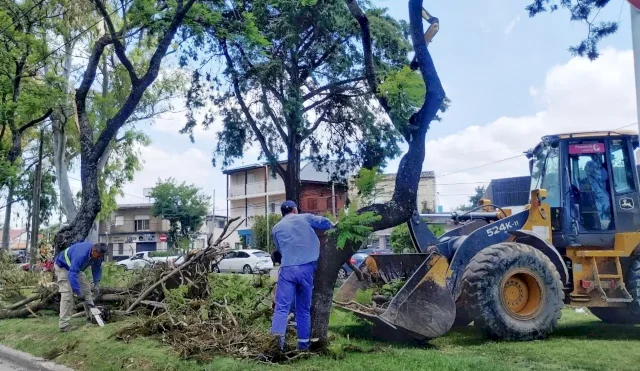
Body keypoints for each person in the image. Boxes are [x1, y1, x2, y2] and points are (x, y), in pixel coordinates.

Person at [270, 200, 335, 351]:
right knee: (303, 310)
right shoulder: (305, 218)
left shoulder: (276, 228)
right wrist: (334, 225)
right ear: (294, 210)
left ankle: (275, 346)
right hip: (306, 270)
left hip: (287, 270)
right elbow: (325, 223)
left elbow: (279, 248)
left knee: (281, 309)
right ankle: (303, 346)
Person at [54, 241, 107, 332]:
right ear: (94, 250)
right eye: (99, 255)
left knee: (86, 290)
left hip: (74, 268)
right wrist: (78, 292)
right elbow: (72, 274)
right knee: (67, 294)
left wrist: (96, 284)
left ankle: (91, 316)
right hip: (62, 266)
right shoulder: (81, 255)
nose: (100, 258)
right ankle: (64, 325)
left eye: (102, 256)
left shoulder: (98, 256)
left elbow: (97, 269)